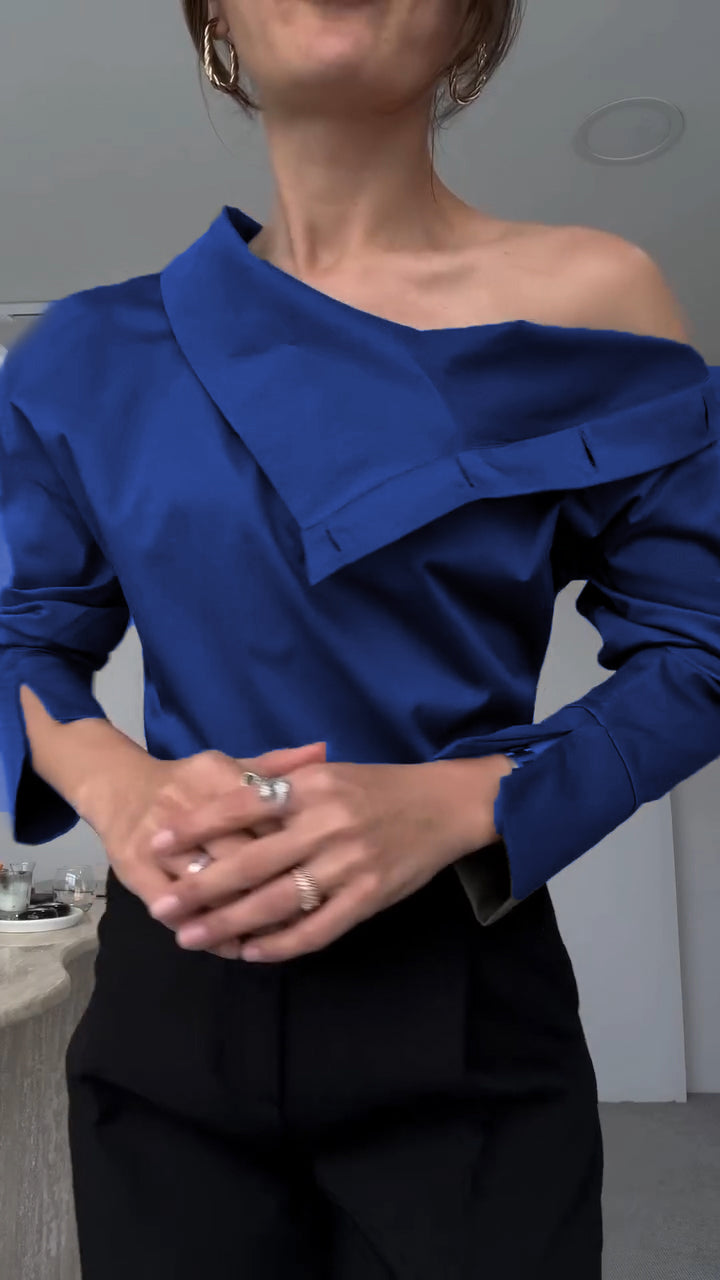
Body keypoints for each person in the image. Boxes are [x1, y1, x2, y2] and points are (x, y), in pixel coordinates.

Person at [2, 1, 720, 1276]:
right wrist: (123, 788)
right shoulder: (83, 354)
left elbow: (702, 644)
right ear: (214, 18)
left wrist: (454, 800)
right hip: (174, 988)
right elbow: (18, 635)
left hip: (462, 983)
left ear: (473, 20)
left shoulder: (598, 303)